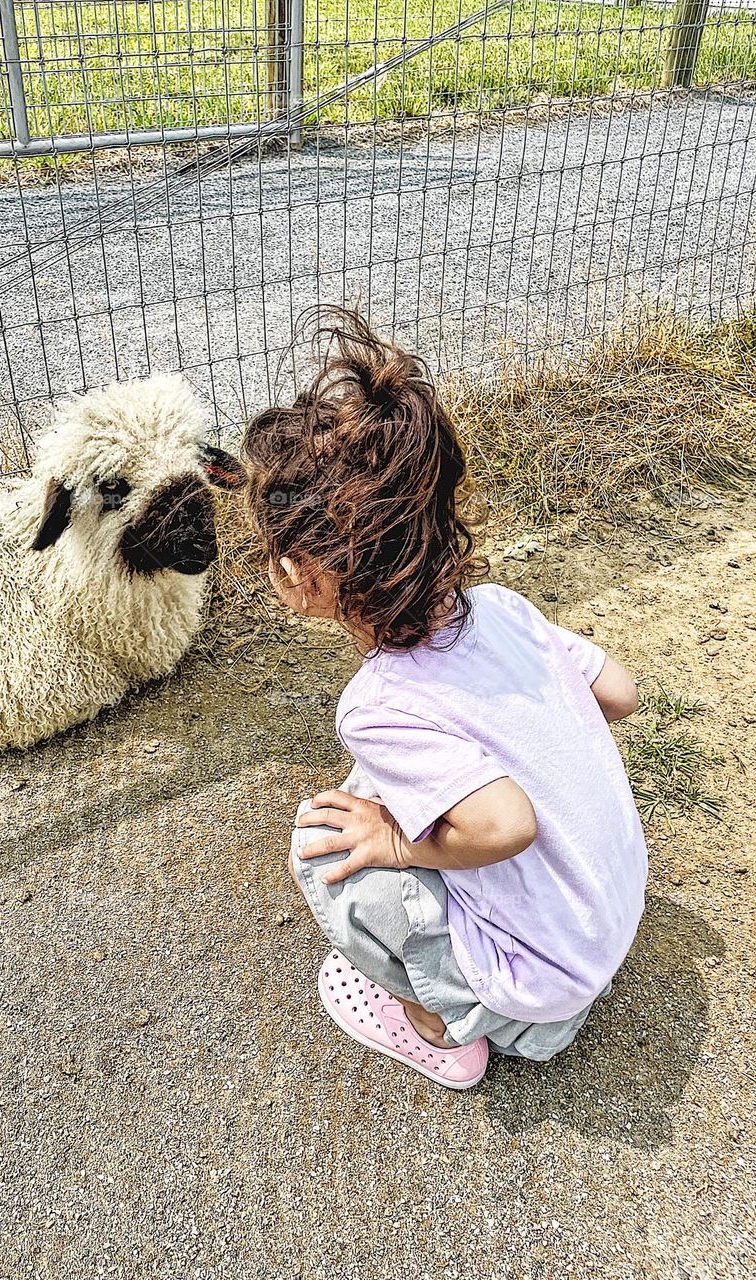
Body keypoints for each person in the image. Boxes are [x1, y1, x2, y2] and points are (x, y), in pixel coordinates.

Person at [241, 309, 647, 1090]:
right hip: (605, 915)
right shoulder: (498, 607)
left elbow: (506, 823)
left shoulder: (377, 704)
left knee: (326, 845)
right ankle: (505, 971)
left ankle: (443, 1022)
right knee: (377, 788)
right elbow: (619, 693)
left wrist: (399, 847)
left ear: (302, 572)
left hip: (548, 992)